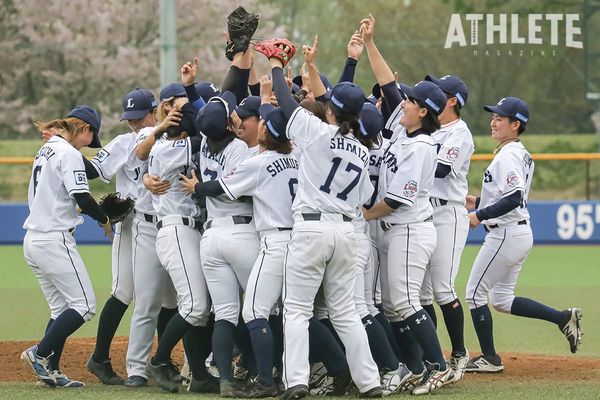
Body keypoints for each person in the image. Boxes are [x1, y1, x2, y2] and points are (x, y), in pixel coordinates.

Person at [260, 35, 382, 399]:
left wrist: (278, 65)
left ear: (331, 109)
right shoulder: (363, 152)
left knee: (296, 310)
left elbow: (284, 103)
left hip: (312, 228)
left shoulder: (315, 132)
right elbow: (365, 199)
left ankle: (296, 381)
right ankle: (370, 382)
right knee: (345, 312)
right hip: (346, 231)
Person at [180, 78, 299, 397]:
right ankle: (271, 371)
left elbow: (205, 117)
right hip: (247, 233)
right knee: (269, 309)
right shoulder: (245, 151)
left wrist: (196, 188)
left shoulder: (204, 142)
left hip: (212, 235)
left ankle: (227, 380)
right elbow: (238, 190)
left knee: (226, 313)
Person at [361, 13, 452, 395]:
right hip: (394, 230)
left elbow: (396, 201)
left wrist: (362, 214)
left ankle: (439, 366)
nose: (404, 103)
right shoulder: (404, 129)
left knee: (405, 300)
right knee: (394, 304)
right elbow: (387, 83)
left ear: (424, 111)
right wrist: (368, 44)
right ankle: (415, 366)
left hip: (410, 228)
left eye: (412, 101)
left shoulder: (421, 146)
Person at [464, 97, 583, 372]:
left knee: (473, 295)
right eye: (493, 116)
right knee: (501, 300)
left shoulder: (507, 155)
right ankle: (563, 318)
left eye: (500, 118)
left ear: (515, 124)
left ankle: (490, 359)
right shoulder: (518, 152)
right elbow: (508, 195)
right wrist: (479, 202)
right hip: (516, 233)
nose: (493, 121)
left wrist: (478, 216)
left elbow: (514, 197)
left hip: (505, 234)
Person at [21, 105, 111, 387]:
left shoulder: (47, 149)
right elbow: (82, 198)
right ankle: (40, 353)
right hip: (53, 238)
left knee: (60, 310)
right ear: (85, 129)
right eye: (90, 139)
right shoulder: (68, 153)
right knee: (84, 305)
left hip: (33, 240)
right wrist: (104, 218)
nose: (89, 146)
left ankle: (51, 371)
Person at [85, 88, 169, 386]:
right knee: (126, 292)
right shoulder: (123, 142)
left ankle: (164, 360)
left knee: (165, 296)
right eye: (130, 119)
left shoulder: (169, 137)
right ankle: (105, 359)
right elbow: (93, 169)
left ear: (155, 111)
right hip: (132, 224)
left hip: (166, 226)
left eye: (140, 116)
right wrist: (65, 148)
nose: (135, 123)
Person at [144, 103, 215, 394]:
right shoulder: (167, 147)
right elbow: (206, 137)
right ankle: (158, 361)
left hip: (188, 229)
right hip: (176, 229)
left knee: (199, 305)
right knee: (195, 305)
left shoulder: (169, 144)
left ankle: (198, 374)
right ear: (185, 132)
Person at [417, 74, 473, 383]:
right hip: (424, 212)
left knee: (442, 289)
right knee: (423, 293)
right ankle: (432, 356)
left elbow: (440, 169)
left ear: (451, 100)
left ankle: (460, 354)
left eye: (440, 89)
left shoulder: (460, 132)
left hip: (448, 213)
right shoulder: (431, 130)